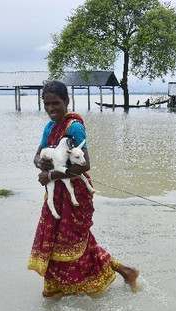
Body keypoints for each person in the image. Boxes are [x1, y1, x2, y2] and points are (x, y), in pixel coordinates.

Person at [27, 80, 139, 298]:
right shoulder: (49, 127)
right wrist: (41, 163)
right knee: (56, 242)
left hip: (76, 192)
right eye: (47, 104)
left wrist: (51, 174)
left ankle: (91, 284)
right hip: (54, 194)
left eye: (56, 103)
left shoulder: (74, 127)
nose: (51, 108)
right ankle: (123, 272)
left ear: (67, 101)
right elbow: (37, 154)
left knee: (72, 242)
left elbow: (84, 164)